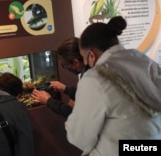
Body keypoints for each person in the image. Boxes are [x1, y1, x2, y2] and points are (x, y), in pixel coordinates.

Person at [65, 16, 161, 156]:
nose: (85, 62)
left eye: (84, 57)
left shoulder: (94, 79)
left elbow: (79, 137)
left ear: (91, 55)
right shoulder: (144, 61)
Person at [31, 37, 88, 118]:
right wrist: (65, 89)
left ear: (76, 63)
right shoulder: (91, 71)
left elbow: (75, 115)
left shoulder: (89, 80)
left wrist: (48, 101)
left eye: (64, 65)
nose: (65, 68)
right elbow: (83, 95)